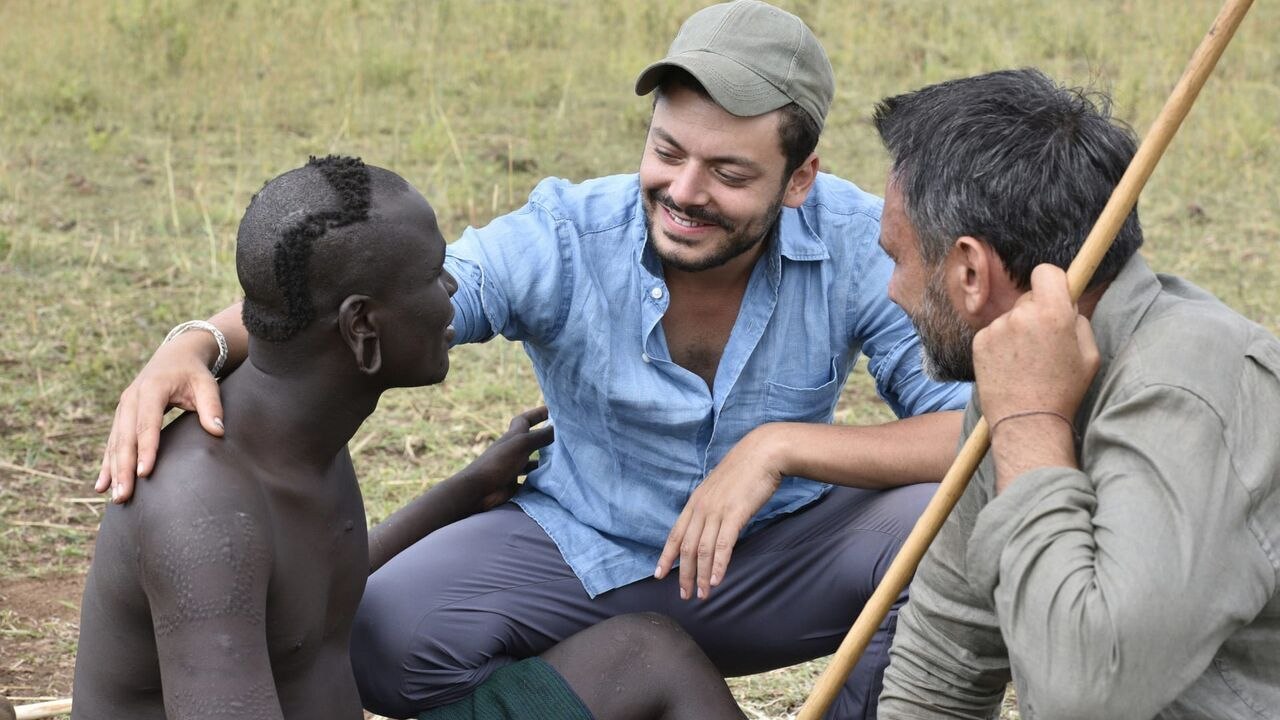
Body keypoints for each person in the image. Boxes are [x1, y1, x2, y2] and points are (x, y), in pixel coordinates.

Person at [96, 2, 970, 717]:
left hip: (782, 559)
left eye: (729, 173)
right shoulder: (566, 233)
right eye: (666, 153)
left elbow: (976, 428)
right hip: (579, 556)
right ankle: (611, 683)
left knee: (958, 527)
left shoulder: (861, 236)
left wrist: (779, 447)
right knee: (383, 637)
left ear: (800, 176)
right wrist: (197, 341)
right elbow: (378, 292)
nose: (684, 193)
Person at [72, 156, 745, 720]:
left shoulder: (294, 435)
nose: (452, 287)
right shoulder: (201, 511)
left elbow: (305, 608)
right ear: (362, 328)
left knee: (650, 656)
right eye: (432, 274)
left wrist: (462, 492)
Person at [866, 69, 1280, 718]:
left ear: (971, 271)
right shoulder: (1012, 374)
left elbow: (1086, 697)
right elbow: (941, 666)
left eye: (899, 259)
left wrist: (1032, 425)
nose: (894, 292)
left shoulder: (1186, 384)